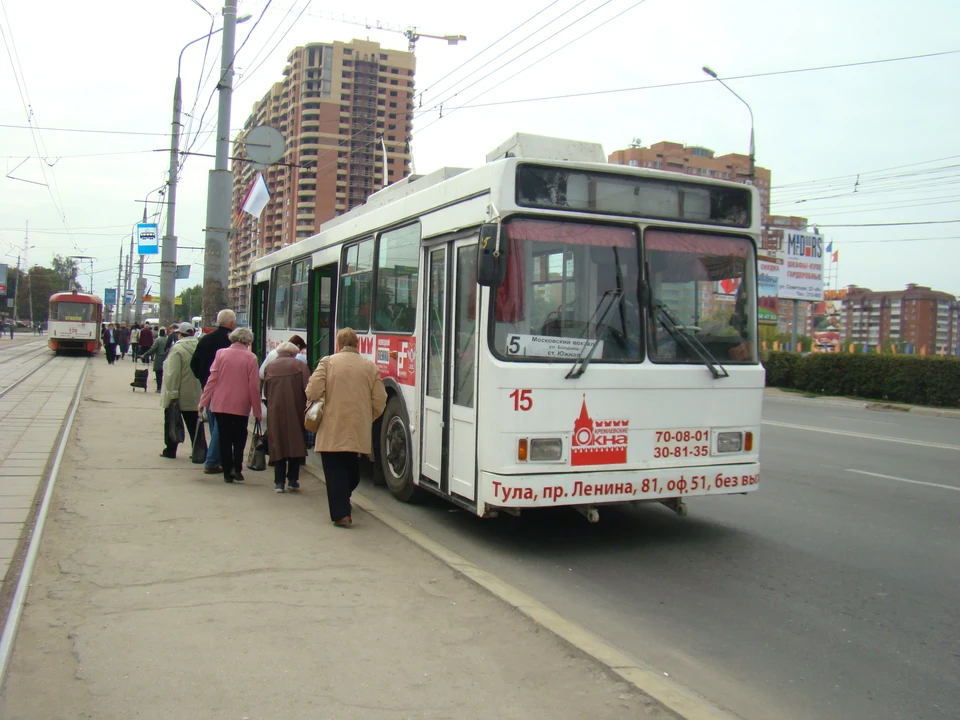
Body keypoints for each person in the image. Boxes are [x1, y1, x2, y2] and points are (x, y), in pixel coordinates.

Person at [306, 327, 386, 527]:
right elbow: (380, 400)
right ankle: (345, 500)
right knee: (351, 469)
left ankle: (341, 514)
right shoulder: (370, 367)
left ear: (339, 344)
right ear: (357, 344)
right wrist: (368, 417)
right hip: (357, 428)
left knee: (334, 470)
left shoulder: (327, 362)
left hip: (332, 426)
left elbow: (314, 390)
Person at [197, 327, 261, 484]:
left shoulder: (221, 354)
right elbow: (253, 385)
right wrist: (257, 410)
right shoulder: (251, 358)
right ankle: (237, 468)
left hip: (220, 403)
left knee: (224, 438)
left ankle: (227, 472)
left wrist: (203, 401)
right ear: (248, 341)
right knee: (239, 437)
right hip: (241, 404)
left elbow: (212, 379)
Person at [191, 309, 236, 476]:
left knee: (214, 425)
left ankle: (217, 458)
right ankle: (212, 461)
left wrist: (203, 379)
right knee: (221, 427)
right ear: (231, 324)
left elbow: (194, 363)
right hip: (225, 390)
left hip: (208, 388)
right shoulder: (231, 342)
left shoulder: (205, 340)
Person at [263, 342, 311, 493]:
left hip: (275, 410)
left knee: (278, 443)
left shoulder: (270, 367)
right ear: (293, 353)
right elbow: (308, 389)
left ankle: (278, 482)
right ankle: (292, 480)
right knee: (295, 443)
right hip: (296, 409)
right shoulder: (300, 366)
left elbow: (265, 391)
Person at [159, 323, 202, 459]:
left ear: (180, 334)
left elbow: (173, 373)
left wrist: (172, 393)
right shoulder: (199, 346)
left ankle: (171, 450)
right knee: (194, 424)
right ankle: (199, 451)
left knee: (172, 422)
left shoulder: (177, 349)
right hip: (195, 392)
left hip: (178, 392)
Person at [141, 328, 168, 392]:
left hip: (159, 357)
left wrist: (144, 355)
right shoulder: (168, 340)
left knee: (158, 374)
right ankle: (164, 388)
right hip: (167, 357)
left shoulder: (158, 340)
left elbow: (153, 349)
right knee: (165, 374)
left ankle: (159, 388)